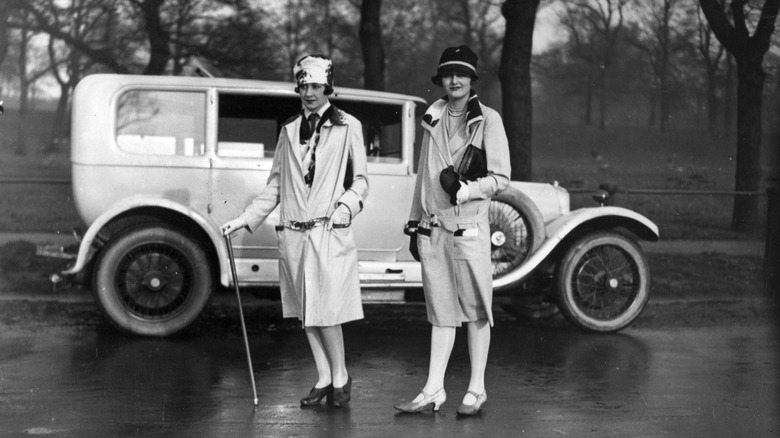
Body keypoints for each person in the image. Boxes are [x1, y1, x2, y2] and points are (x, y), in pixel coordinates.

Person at [221, 54, 368, 408]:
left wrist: (345, 208)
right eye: (304, 86)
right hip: (293, 234)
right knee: (306, 311)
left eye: (316, 86)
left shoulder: (349, 125)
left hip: (327, 231)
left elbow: (361, 181)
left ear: (327, 87)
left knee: (327, 310)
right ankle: (323, 377)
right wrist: (243, 219)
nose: (309, 93)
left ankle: (341, 375)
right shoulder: (289, 129)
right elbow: (275, 186)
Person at [394, 45, 511, 416]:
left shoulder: (488, 120)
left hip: (469, 229)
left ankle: (476, 389)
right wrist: (415, 222)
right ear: (441, 80)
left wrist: (467, 189)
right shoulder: (432, 117)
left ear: (472, 79)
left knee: (476, 310)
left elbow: (502, 177)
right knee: (440, 311)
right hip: (435, 229)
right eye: (448, 74)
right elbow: (424, 176)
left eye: (461, 74)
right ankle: (433, 389)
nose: (455, 81)